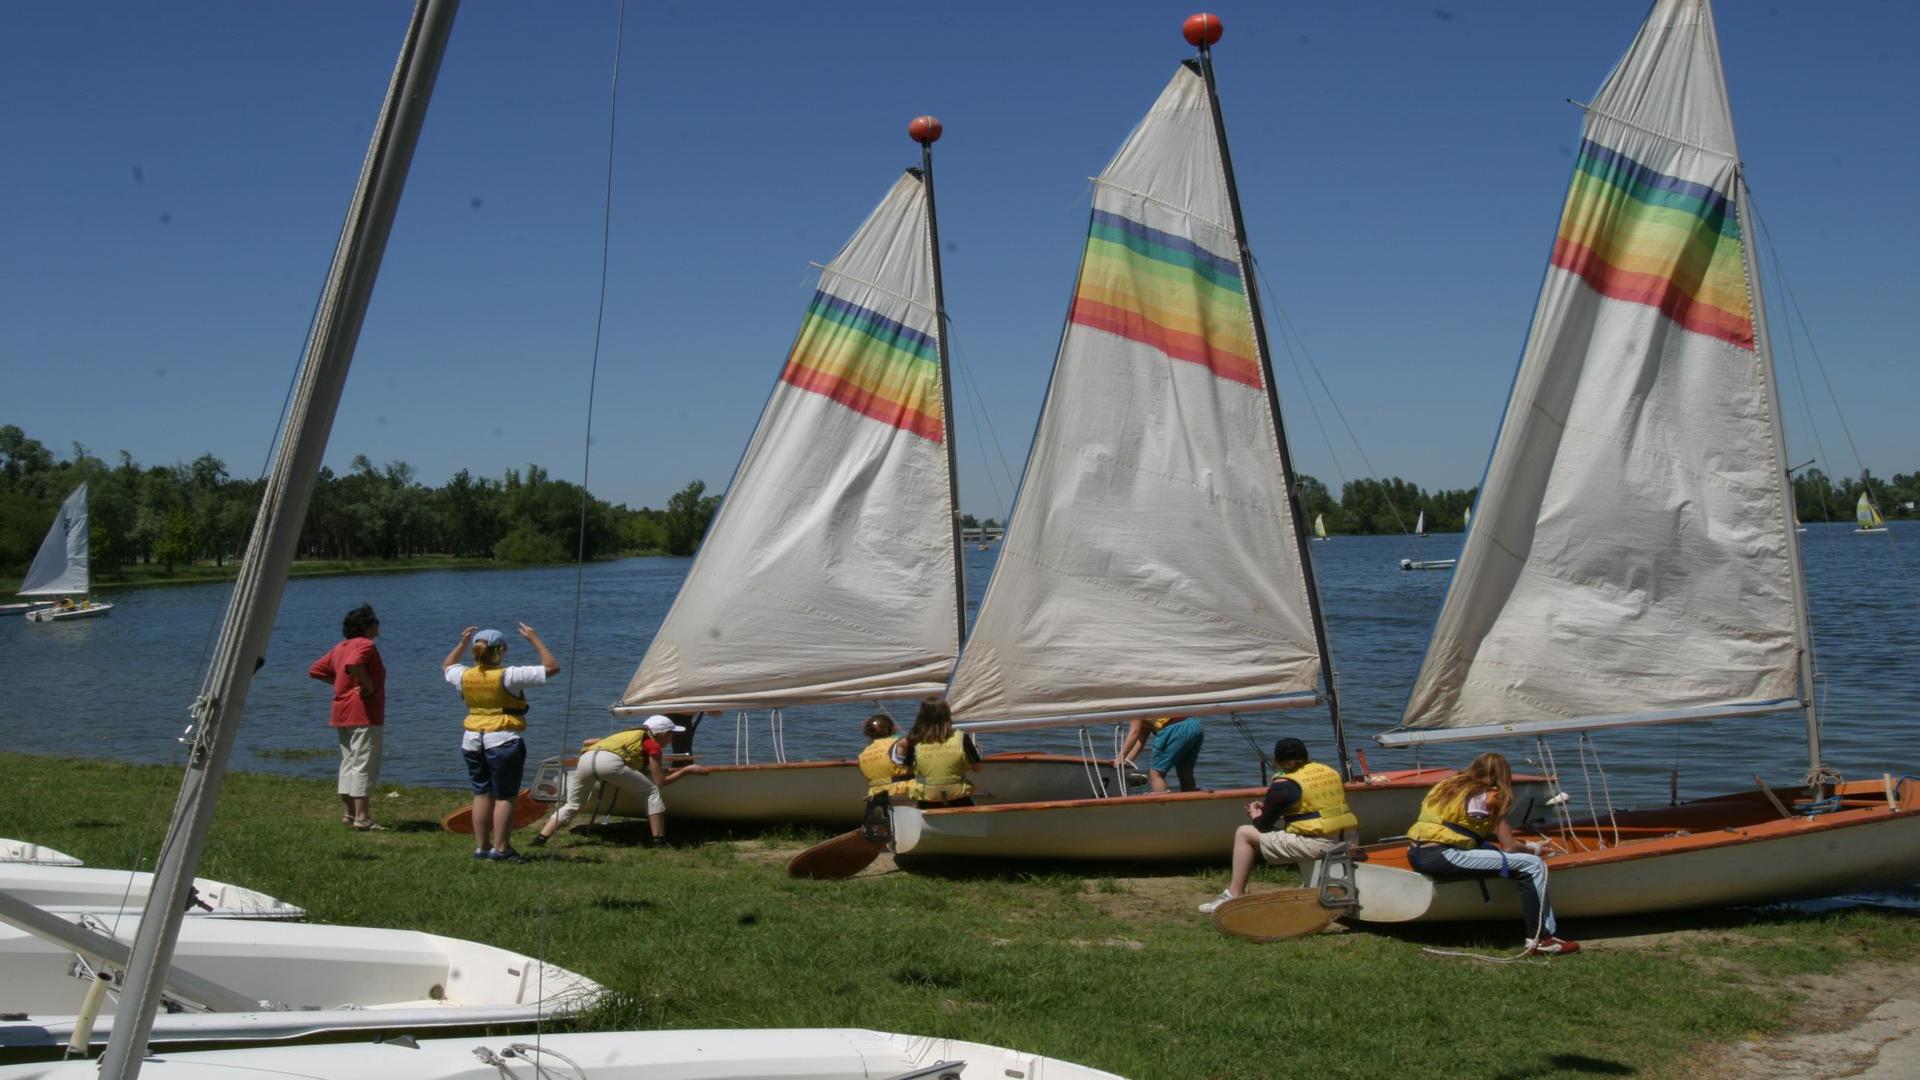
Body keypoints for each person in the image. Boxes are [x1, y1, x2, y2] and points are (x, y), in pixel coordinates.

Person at [1403, 752, 1579, 956]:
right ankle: (1541, 940)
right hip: (1444, 855)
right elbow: (1509, 846)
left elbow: (1464, 830)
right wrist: (1534, 849)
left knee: (1490, 850)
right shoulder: (1492, 796)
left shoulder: (1448, 786)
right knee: (1532, 865)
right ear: (1503, 775)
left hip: (1417, 853)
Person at [442, 623, 560, 863]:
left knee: (481, 794)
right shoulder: (509, 676)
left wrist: (461, 644)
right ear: (502, 650)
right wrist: (534, 638)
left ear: (476, 651)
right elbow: (551, 667)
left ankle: (482, 847)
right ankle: (502, 849)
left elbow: (447, 666)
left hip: (472, 739)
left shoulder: (463, 675)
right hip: (503, 740)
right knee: (505, 796)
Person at [1199, 738, 1358, 913]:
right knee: (1293, 833)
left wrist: (1255, 814)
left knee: (1244, 833)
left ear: (1277, 760)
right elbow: (1313, 808)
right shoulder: (1330, 772)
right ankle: (1311, 885)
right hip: (1349, 841)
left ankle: (1233, 895)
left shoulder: (1284, 783)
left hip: (1319, 845)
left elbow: (1263, 826)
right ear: (1306, 756)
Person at [530, 715, 707, 848]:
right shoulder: (652, 744)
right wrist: (686, 770)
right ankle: (659, 841)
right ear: (661, 734)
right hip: (609, 764)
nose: (671, 739)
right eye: (670, 734)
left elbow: (588, 741)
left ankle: (540, 839)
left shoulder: (627, 735)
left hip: (586, 760)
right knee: (651, 792)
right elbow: (660, 781)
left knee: (574, 804)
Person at [307, 603, 386, 831]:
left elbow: (316, 670)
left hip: (341, 711)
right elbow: (354, 664)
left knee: (349, 761)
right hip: (364, 712)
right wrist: (366, 684)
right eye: (376, 621)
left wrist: (343, 683)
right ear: (367, 626)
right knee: (363, 763)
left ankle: (350, 813)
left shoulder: (340, 647)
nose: (378, 625)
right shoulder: (365, 644)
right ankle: (362, 817)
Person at [903, 696, 981, 808]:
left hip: (928, 800)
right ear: (947, 715)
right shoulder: (962, 737)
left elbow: (908, 771)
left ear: (921, 716)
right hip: (958, 797)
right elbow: (977, 769)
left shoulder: (914, 739)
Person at [856, 713, 912, 835]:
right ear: (893, 728)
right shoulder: (900, 744)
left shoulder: (862, 755)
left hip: (876, 799)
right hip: (902, 794)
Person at [1117, 714, 1204, 792]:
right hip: (1194, 724)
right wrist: (1126, 761)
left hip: (1176, 727)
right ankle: (1189, 805)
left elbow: (1134, 732)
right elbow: (1140, 741)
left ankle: (1162, 805)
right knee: (1185, 772)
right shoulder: (1148, 708)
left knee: (1156, 774)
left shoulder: (1134, 706)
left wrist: (1120, 758)